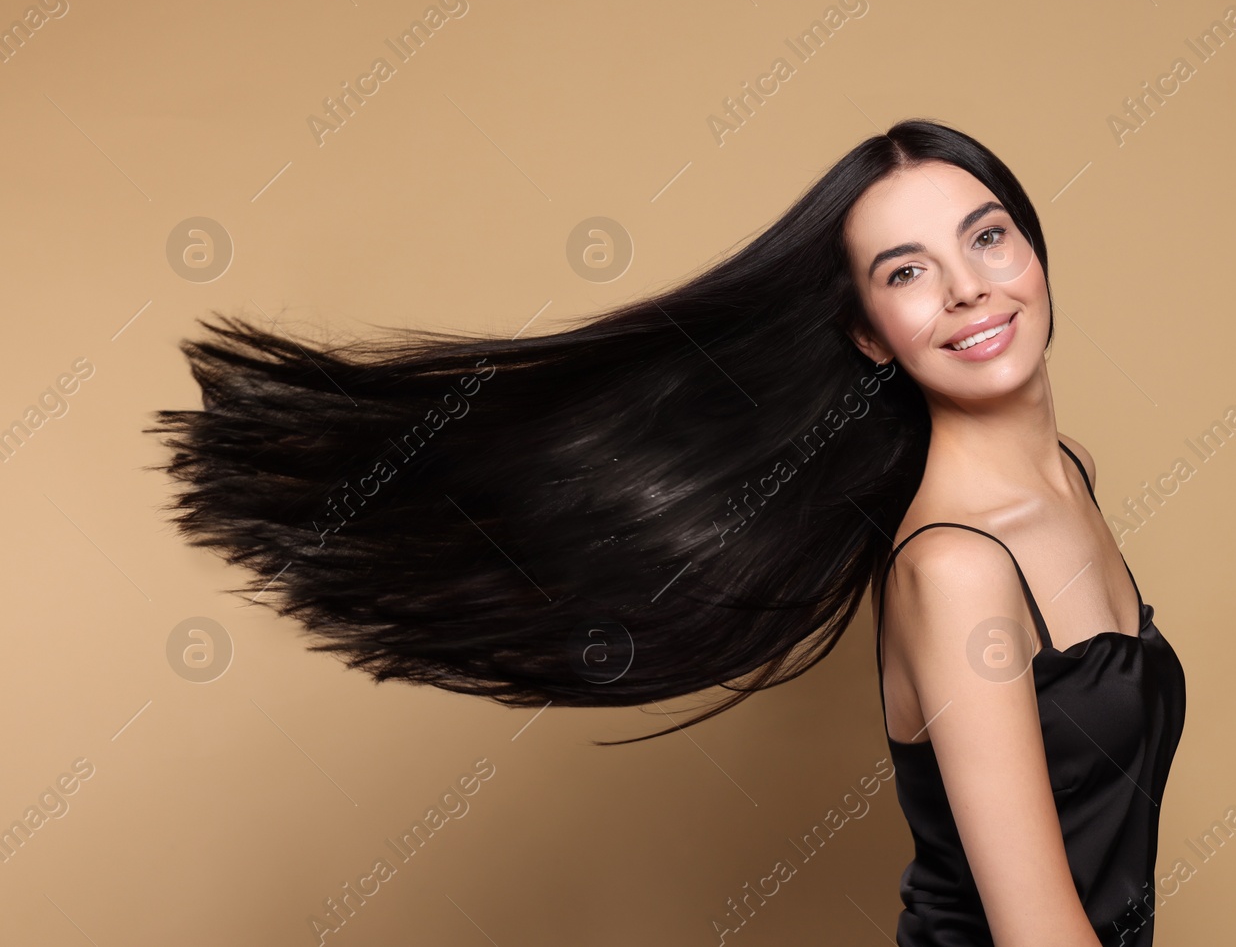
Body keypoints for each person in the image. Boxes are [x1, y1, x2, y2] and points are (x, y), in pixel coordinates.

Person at [144, 118, 1183, 945]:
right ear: (869, 335)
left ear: (1033, 249)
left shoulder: (1070, 476)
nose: (968, 289)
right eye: (906, 271)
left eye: (986, 235)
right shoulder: (957, 570)